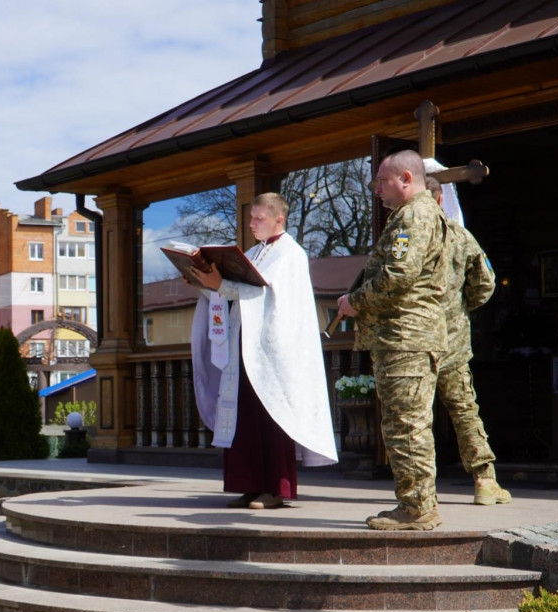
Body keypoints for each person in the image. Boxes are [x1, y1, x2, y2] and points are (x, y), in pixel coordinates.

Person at [187, 193, 337, 510]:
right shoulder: (255, 253)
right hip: (244, 346)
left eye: (259, 218)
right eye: (251, 217)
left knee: (271, 417)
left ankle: (276, 488)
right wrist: (203, 280)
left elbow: (264, 294)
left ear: (278, 219)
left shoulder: (290, 254)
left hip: (273, 352)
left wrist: (221, 285)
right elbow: (236, 291)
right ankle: (249, 484)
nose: (252, 223)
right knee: (244, 417)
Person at [337, 150, 450, 530]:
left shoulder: (413, 215)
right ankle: (417, 503)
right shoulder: (418, 213)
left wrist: (353, 302)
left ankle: (418, 509)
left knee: (406, 423)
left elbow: (398, 276)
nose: (377, 191)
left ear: (405, 177)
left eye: (381, 182)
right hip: (408, 335)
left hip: (406, 336)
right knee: (408, 421)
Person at [424, 176, 511, 506]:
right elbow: (485, 283)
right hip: (453, 338)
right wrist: (461, 308)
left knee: (416, 415)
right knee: (463, 409)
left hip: (416, 340)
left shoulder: (405, 234)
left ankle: (421, 489)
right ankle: (484, 481)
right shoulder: (462, 236)